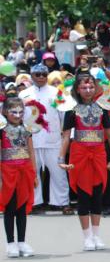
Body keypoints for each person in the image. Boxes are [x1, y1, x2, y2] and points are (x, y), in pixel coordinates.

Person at [58, 71, 110, 250]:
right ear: (77, 89)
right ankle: (87, 237)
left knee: (98, 194)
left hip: (99, 153)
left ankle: (97, 235)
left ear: (96, 88)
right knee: (84, 196)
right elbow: (66, 137)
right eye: (84, 87)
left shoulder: (102, 109)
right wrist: (61, 159)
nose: (88, 90)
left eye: (91, 86)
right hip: (80, 153)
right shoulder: (71, 111)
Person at [20, 63, 71, 214]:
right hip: (31, 140)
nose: (41, 77)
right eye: (37, 74)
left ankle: (62, 202)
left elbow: (63, 115)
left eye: (44, 74)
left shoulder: (57, 92)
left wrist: (64, 135)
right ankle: (34, 202)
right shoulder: (24, 94)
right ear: (32, 76)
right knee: (32, 172)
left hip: (53, 138)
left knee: (58, 172)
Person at [1, 97, 37, 257]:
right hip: (7, 171)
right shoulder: (1, 129)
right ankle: (10, 243)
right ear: (5, 112)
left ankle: (22, 241)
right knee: (10, 206)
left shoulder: (27, 128)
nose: (17, 115)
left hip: (25, 170)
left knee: (22, 207)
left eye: (20, 112)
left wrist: (34, 173)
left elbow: (31, 151)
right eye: (13, 112)